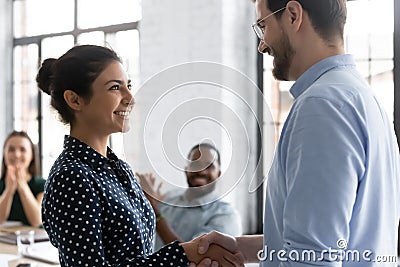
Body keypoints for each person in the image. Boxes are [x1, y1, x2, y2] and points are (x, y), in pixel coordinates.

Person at [193, 0, 400, 266]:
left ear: (292, 15)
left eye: (263, 25)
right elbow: (335, 240)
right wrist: (242, 248)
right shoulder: (362, 97)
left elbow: (313, 258)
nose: (262, 44)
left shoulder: (322, 106)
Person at [37, 44, 244, 266]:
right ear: (75, 100)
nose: (130, 98)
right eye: (115, 88)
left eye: (128, 85)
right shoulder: (71, 177)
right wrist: (182, 255)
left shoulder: (119, 169)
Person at [137, 143, 242, 250]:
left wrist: (155, 212)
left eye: (209, 166)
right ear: (186, 170)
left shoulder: (226, 215)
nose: (201, 171)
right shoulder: (170, 198)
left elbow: (192, 256)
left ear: (218, 173)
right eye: (195, 165)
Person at [0, 130, 45, 227]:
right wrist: (9, 190)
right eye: (11, 150)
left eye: (22, 150)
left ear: (32, 155)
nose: (16, 154)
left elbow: (37, 221)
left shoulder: (42, 185)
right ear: (4, 154)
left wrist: (22, 186)